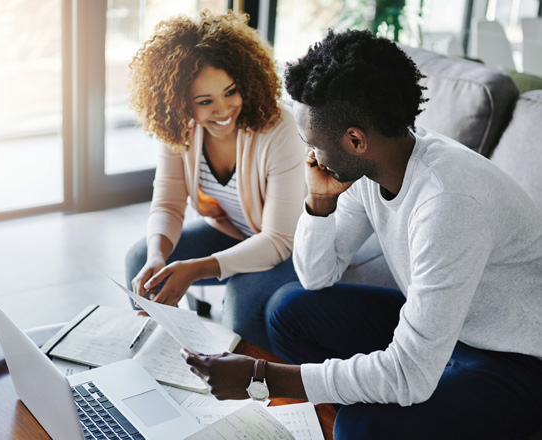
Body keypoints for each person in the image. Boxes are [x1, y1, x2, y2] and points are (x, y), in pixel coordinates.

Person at [183, 29, 542, 439]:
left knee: (360, 426)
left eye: (313, 143)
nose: (310, 157)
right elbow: (317, 276)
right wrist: (318, 203)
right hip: (448, 331)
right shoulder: (376, 163)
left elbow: (411, 373)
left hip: (514, 361)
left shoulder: (448, 201)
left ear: (355, 140)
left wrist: (263, 377)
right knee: (288, 309)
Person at [125, 10, 305, 351]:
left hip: (294, 248)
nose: (223, 110)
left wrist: (194, 269)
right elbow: (168, 203)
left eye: (231, 92)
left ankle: (249, 393)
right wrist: (156, 257)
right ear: (180, 104)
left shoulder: (280, 128)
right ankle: (160, 362)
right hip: (238, 232)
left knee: (242, 298)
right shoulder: (180, 128)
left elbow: (280, 239)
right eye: (205, 101)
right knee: (140, 261)